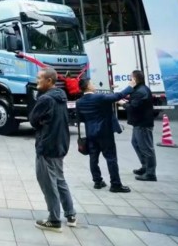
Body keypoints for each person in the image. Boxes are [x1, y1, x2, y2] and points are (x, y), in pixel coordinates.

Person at [30, 68, 76, 232]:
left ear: (49, 81)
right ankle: (70, 214)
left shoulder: (45, 99)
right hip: (60, 143)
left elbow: (33, 120)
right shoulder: (61, 96)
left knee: (48, 184)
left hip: (47, 145)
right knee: (59, 180)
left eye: (39, 78)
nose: (37, 81)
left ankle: (54, 220)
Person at [77, 78, 132, 192]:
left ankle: (97, 181)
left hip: (90, 133)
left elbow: (80, 118)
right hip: (104, 132)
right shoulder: (99, 97)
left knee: (93, 158)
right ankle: (115, 184)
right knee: (111, 158)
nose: (94, 85)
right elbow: (118, 96)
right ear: (88, 86)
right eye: (92, 83)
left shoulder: (79, 102)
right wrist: (130, 86)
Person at [120, 70, 157, 182]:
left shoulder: (140, 91)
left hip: (143, 124)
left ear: (135, 79)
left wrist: (123, 104)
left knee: (146, 148)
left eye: (130, 77)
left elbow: (132, 108)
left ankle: (150, 173)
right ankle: (145, 166)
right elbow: (135, 103)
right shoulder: (139, 90)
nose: (129, 79)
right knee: (136, 143)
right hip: (138, 123)